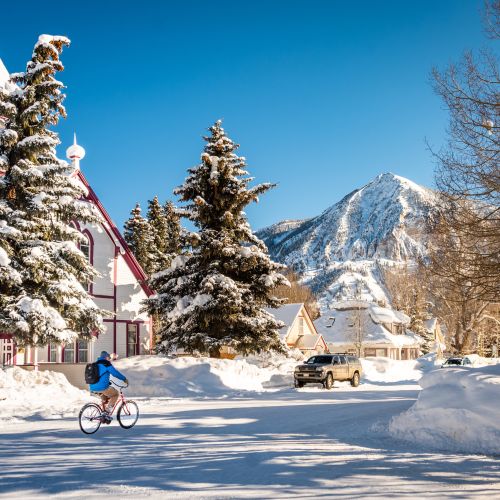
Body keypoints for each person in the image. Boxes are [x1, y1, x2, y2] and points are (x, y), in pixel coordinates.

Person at [89, 351, 128, 422]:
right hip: (102, 388)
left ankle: (103, 415)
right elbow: (115, 373)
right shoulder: (106, 364)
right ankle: (106, 413)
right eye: (108, 357)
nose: (109, 359)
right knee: (115, 394)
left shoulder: (95, 364)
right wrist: (124, 379)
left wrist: (107, 382)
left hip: (92, 387)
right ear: (106, 357)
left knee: (105, 398)